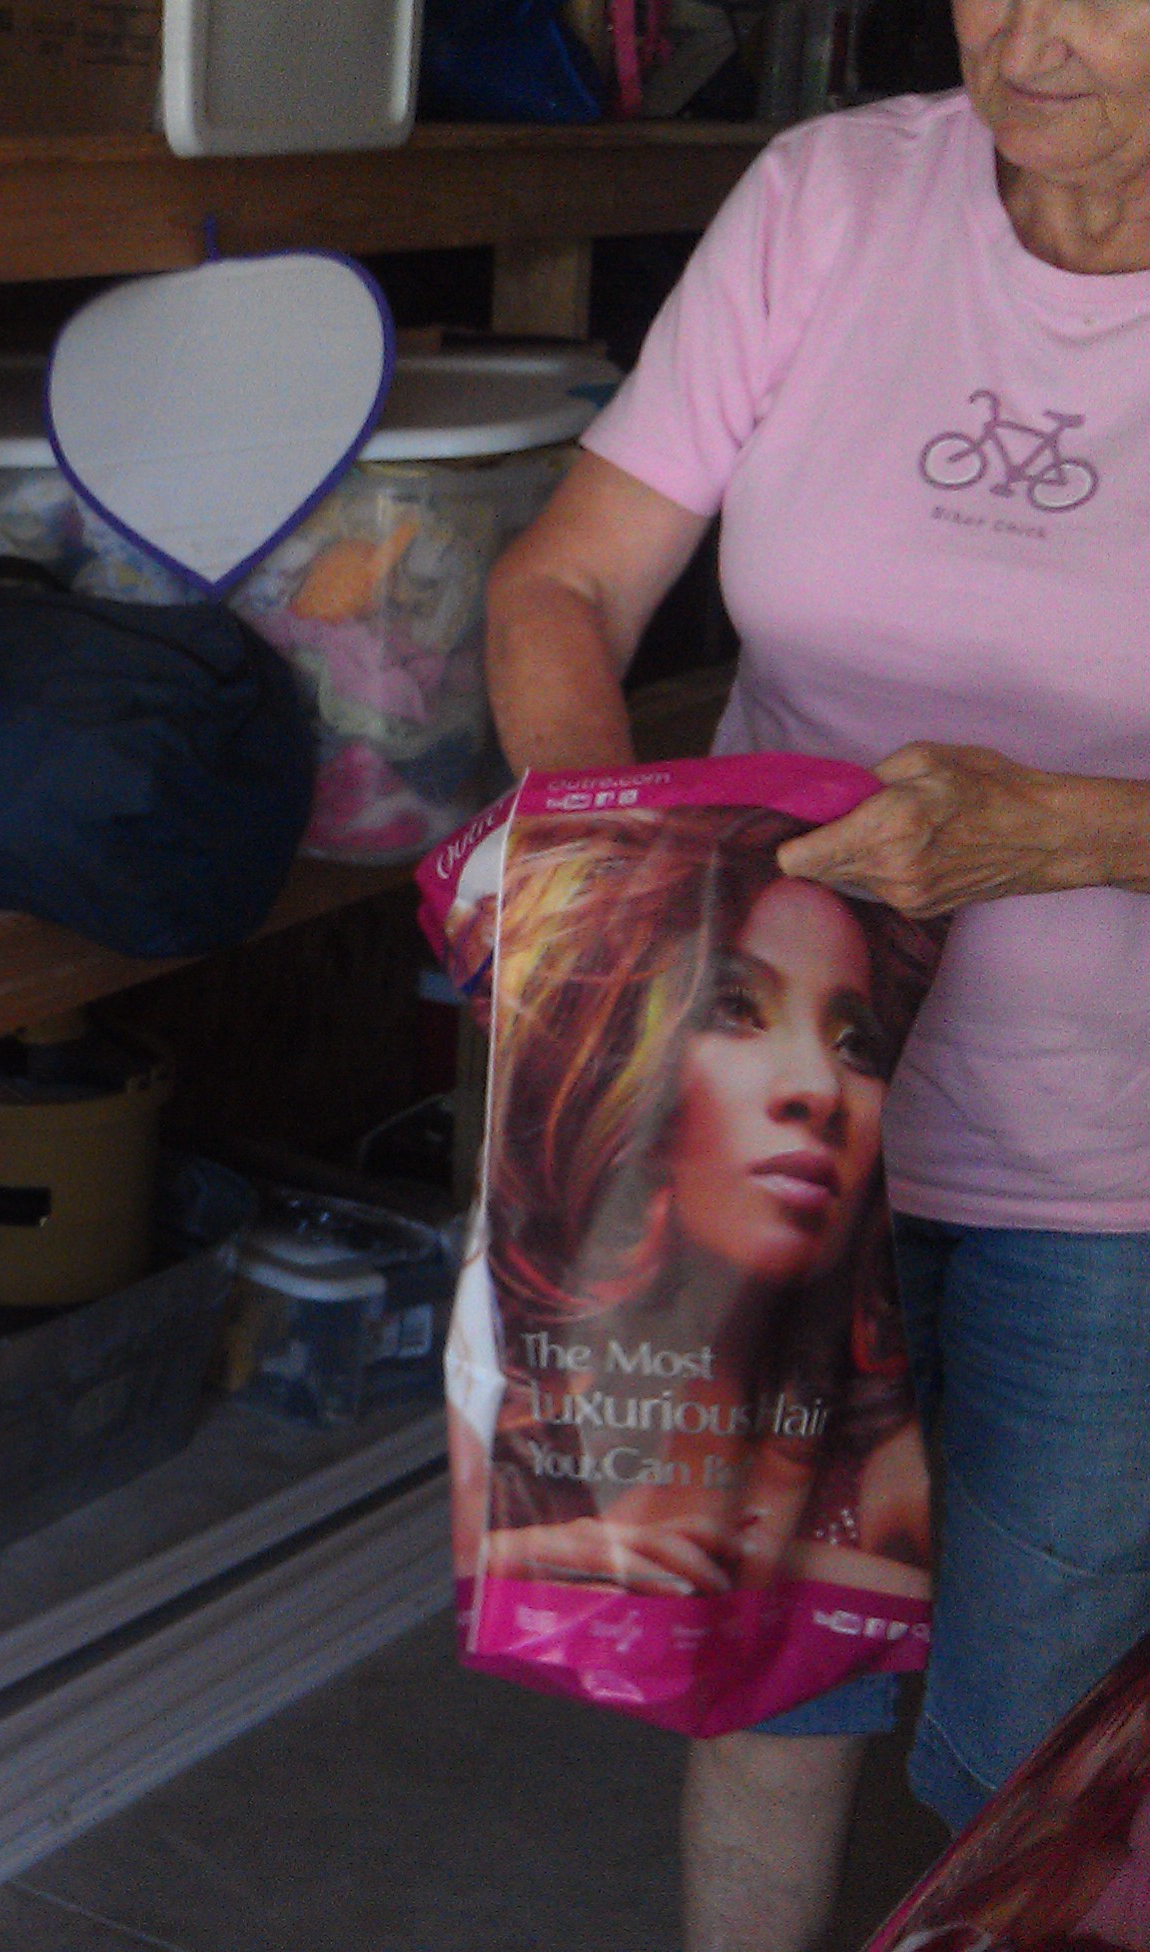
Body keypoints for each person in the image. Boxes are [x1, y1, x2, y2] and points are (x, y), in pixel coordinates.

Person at [484, 1, 1150, 1944]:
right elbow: (560, 580)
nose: (1027, 32)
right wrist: (623, 878)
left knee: (1034, 1749)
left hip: (1104, 1177)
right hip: (775, 1125)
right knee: (770, 1666)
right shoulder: (834, 197)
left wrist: (1064, 831)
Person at [470, 805, 938, 1606]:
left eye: (857, 1045)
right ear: (626, 1070)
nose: (820, 1089)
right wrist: (520, 1560)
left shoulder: (890, 1483)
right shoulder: (516, 1417)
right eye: (735, 1010)